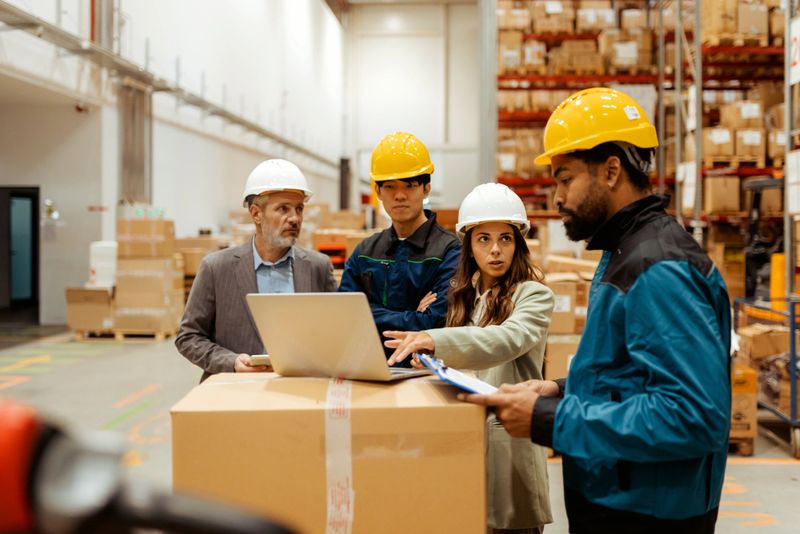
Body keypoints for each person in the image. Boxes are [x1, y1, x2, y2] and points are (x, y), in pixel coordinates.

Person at [461, 88, 731, 533]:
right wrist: (562, 390)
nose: (556, 197)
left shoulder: (658, 268)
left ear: (610, 171)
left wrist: (551, 419)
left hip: (650, 512)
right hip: (623, 498)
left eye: (565, 178)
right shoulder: (625, 251)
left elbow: (693, 414)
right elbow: (633, 373)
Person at [384, 183, 553, 534]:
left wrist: (435, 340)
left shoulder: (534, 295)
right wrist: (434, 364)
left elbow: (505, 339)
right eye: (483, 239)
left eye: (505, 239)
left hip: (508, 448)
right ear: (469, 246)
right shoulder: (466, 297)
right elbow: (468, 358)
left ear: (518, 244)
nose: (495, 250)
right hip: (464, 444)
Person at [176, 159, 337, 381]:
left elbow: (335, 335)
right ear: (256, 214)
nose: (294, 218)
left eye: (299, 209)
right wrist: (231, 362)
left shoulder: (318, 267)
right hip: (236, 390)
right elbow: (189, 337)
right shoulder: (216, 268)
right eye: (283, 209)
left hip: (300, 390)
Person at [338, 131, 460, 363]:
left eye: (410, 185)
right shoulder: (365, 252)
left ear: (426, 188)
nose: (400, 195)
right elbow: (346, 316)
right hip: (369, 368)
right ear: (378, 191)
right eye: (391, 186)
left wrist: (370, 311)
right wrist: (414, 315)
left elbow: (437, 323)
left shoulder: (450, 251)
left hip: (424, 373)